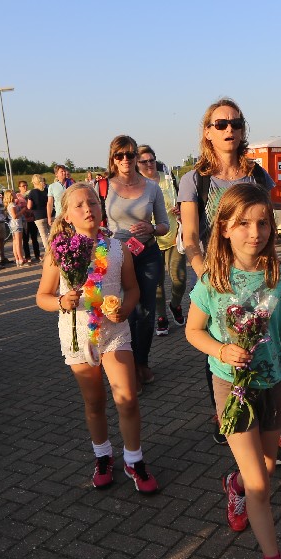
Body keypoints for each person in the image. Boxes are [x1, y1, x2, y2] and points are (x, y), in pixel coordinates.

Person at [184, 183, 281, 559]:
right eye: (242, 223)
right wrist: (221, 351)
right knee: (262, 484)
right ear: (223, 228)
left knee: (266, 469)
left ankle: (234, 485)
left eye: (262, 223)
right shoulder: (212, 281)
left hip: (272, 381)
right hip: (232, 387)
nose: (254, 232)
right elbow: (193, 331)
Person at [179, 97, 281, 464]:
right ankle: (234, 422)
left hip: (257, 273)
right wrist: (210, 277)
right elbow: (191, 237)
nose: (229, 130)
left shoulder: (257, 174)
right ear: (207, 132)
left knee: (265, 342)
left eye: (236, 123)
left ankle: (268, 436)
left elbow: (266, 224)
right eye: (220, 124)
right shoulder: (195, 180)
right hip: (218, 277)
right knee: (226, 351)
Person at [36, 182, 160, 495]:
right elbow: (42, 296)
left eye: (92, 202)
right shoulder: (59, 252)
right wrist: (60, 301)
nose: (88, 209)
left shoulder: (117, 248)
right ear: (66, 215)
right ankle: (103, 456)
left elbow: (132, 289)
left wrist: (125, 309)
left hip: (114, 333)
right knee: (94, 402)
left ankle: (134, 460)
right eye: (78, 205)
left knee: (127, 399)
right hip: (77, 334)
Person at [103, 136, 169, 390]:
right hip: (117, 256)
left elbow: (164, 225)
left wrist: (151, 228)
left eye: (130, 154)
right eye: (119, 155)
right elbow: (94, 220)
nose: (125, 160)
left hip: (147, 254)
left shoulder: (151, 187)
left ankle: (141, 362)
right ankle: (127, 367)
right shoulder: (103, 186)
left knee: (146, 311)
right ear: (112, 158)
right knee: (124, 310)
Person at [137, 147, 185, 336]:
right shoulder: (137, 184)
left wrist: (180, 208)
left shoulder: (168, 177)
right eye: (144, 161)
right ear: (137, 164)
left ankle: (175, 305)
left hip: (173, 236)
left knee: (179, 279)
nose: (149, 164)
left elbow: (181, 200)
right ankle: (161, 317)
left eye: (152, 160)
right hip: (151, 240)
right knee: (156, 283)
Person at [26, 175, 52, 260]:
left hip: (38, 216)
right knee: (52, 235)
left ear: (34, 182)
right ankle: (56, 251)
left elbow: (29, 206)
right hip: (49, 214)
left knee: (44, 237)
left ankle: (49, 254)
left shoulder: (32, 192)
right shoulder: (47, 190)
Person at [3, 189, 28, 266]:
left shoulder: (11, 204)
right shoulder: (12, 205)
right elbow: (14, 216)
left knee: (15, 242)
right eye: (13, 194)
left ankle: (17, 258)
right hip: (16, 224)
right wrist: (22, 210)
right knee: (18, 242)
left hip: (14, 224)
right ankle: (20, 259)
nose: (15, 194)